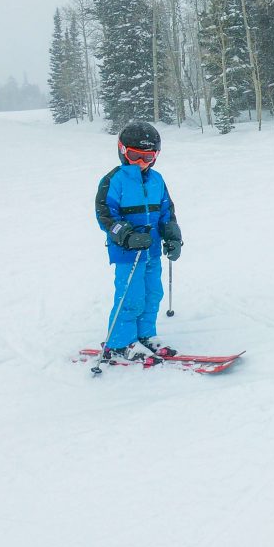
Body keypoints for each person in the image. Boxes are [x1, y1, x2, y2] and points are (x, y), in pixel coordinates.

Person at [95, 120, 183, 367]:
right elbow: (105, 215)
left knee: (152, 293)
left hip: (152, 250)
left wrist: (173, 236)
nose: (142, 163)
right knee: (131, 296)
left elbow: (167, 211)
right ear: (122, 151)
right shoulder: (113, 180)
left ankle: (145, 334)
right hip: (127, 252)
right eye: (135, 156)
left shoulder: (157, 180)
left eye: (148, 157)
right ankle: (120, 343)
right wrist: (126, 235)